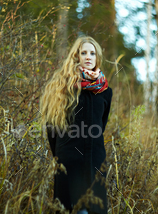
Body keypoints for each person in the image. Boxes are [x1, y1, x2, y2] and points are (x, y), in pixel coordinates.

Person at [39, 36, 113, 214]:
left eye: (92, 53)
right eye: (84, 53)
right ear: (77, 56)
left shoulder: (105, 92)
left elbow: (100, 125)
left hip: (95, 162)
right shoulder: (63, 87)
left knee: (95, 209)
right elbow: (52, 128)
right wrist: (61, 156)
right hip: (69, 161)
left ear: (97, 58)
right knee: (70, 209)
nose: (88, 57)